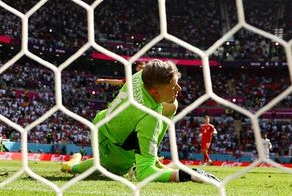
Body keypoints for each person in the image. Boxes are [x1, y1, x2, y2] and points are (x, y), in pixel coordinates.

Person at [61, 60, 218, 183]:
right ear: (155, 91)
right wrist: (186, 175)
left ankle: (150, 155)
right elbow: (144, 174)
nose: (179, 89)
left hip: (102, 123)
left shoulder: (143, 75)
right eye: (172, 86)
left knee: (171, 105)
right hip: (113, 151)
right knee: (108, 168)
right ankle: (72, 165)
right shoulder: (150, 115)